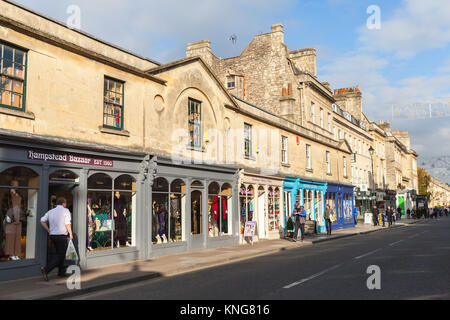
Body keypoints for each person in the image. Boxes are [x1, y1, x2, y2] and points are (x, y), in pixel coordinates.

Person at [40, 197, 73, 281]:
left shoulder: (50, 211)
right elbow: (67, 223)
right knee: (60, 255)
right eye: (65, 204)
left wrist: (48, 230)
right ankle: (46, 270)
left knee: (60, 254)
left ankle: (61, 272)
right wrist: (71, 233)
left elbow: (42, 220)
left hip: (53, 236)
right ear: (63, 203)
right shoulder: (66, 211)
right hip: (61, 236)